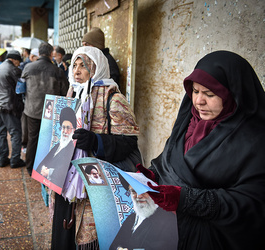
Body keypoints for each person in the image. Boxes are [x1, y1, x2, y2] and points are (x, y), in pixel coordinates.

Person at [136, 51, 265, 250]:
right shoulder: (188, 121)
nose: (198, 101)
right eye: (195, 91)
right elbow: (170, 161)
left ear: (232, 94)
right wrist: (151, 174)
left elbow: (252, 205)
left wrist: (185, 199)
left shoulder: (254, 141)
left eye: (209, 94)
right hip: (166, 233)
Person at [51, 46, 140, 249]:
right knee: (65, 233)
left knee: (88, 237)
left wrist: (95, 141)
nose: (77, 71)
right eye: (74, 65)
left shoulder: (114, 99)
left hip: (94, 186)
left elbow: (129, 142)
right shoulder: (72, 94)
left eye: (84, 66)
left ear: (96, 68)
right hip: (68, 181)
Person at [21, 42, 69, 176]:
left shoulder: (28, 68)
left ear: (39, 53)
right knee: (49, 140)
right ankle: (45, 168)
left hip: (32, 110)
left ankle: (30, 167)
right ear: (50, 54)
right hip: (51, 111)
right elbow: (64, 92)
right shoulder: (57, 71)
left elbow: (20, 88)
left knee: (32, 138)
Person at [110, 174, 178, 250]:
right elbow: (115, 244)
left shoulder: (168, 219)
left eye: (143, 190)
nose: (139, 196)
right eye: (134, 191)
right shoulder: (131, 218)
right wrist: (119, 248)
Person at [0, 51, 26, 168]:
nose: (19, 64)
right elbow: (20, 89)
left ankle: (2, 159)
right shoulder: (14, 70)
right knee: (15, 133)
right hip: (9, 107)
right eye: (18, 61)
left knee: (1, 134)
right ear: (14, 59)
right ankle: (15, 160)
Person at [36, 107, 76, 187]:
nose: (65, 131)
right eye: (63, 127)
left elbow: (63, 171)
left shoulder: (71, 148)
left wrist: (49, 172)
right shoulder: (59, 144)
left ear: (73, 130)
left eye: (68, 128)